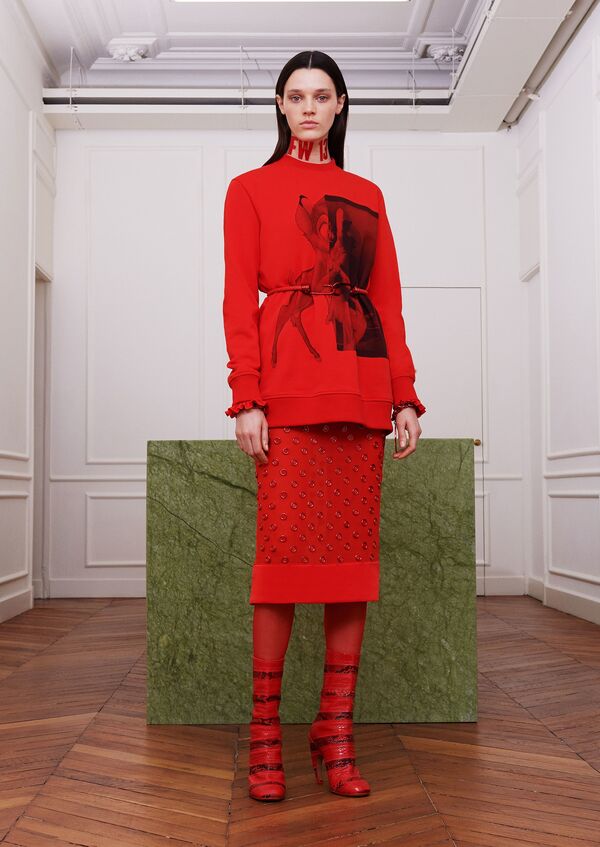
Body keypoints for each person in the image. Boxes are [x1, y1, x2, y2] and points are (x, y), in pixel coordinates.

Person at [222, 50, 426, 802]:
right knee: (279, 567)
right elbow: (237, 297)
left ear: (340, 106)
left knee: (349, 567)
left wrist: (404, 395)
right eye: (296, 95)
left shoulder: (367, 194)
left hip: (361, 386)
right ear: (280, 105)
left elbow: (389, 300)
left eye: (322, 95)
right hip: (286, 386)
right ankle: (266, 734)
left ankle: (334, 731)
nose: (308, 106)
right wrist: (246, 396)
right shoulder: (248, 190)